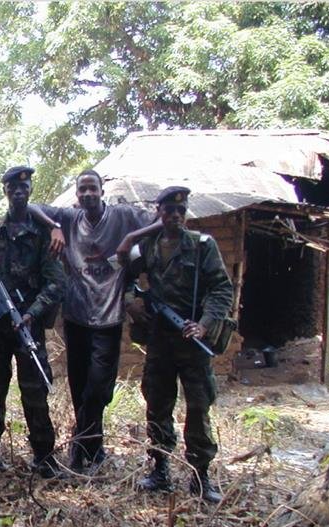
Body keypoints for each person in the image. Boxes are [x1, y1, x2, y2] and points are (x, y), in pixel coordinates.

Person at [28, 170, 160, 473]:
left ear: (102, 191)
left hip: (109, 319)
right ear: (77, 194)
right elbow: (32, 207)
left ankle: (79, 442)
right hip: (75, 317)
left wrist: (131, 238)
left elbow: (161, 220)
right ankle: (93, 447)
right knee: (79, 387)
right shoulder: (69, 218)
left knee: (99, 388)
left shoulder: (123, 216)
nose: (87, 194)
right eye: (82, 190)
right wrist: (54, 228)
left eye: (92, 189)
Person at [0, 165, 66, 479]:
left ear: (30, 190)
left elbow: (57, 282)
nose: (19, 191)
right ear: (5, 191)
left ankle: (44, 457)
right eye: (13, 188)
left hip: (28, 325)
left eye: (25, 187)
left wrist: (33, 311)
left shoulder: (45, 232)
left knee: (35, 391)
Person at [130, 186, 234, 503]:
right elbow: (126, 278)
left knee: (199, 408)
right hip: (160, 339)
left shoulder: (202, 245)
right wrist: (132, 303)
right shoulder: (147, 246)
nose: (176, 216)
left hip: (191, 341)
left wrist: (203, 324)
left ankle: (200, 476)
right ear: (158, 213)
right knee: (157, 405)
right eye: (169, 211)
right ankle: (160, 468)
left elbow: (221, 290)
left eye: (181, 211)